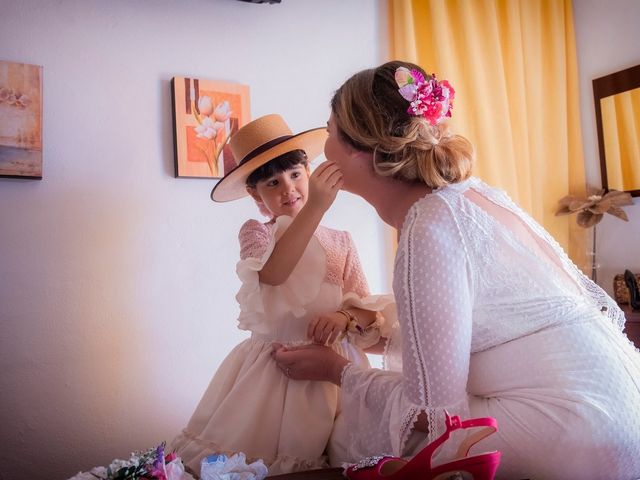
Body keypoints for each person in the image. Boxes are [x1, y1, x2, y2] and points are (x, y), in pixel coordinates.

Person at [272, 61, 640, 479]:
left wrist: (336, 371)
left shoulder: (430, 224)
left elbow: (433, 416)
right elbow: (479, 330)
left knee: (361, 443)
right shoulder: (475, 198)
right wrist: (370, 331)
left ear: (360, 150)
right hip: (621, 417)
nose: (325, 145)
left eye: (330, 131)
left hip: (574, 436)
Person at [171, 114, 395, 476]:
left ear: (308, 170)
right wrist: (317, 206)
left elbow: (367, 309)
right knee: (271, 461)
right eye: (272, 182)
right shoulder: (257, 234)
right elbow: (273, 274)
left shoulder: (341, 242)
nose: (287, 189)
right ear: (255, 195)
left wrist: (344, 318)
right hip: (275, 375)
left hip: (334, 376)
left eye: (294, 175)